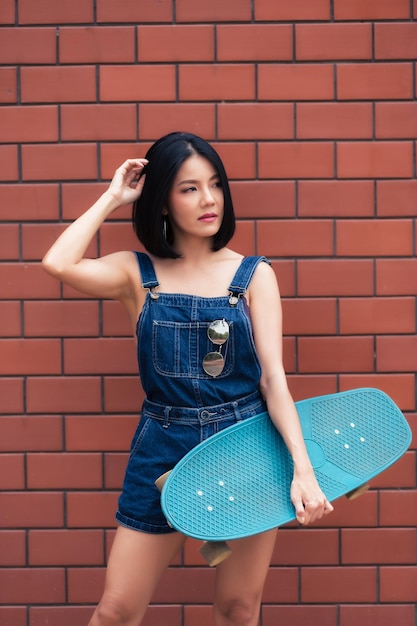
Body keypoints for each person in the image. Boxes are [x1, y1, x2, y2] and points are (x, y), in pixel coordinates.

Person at [42, 132, 333, 626]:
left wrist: (303, 470)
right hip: (162, 447)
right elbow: (58, 263)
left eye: (215, 184)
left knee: (239, 609)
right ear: (161, 201)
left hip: (248, 446)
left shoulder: (254, 274)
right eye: (189, 188)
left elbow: (273, 381)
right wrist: (114, 196)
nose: (209, 199)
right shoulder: (136, 275)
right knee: (116, 611)